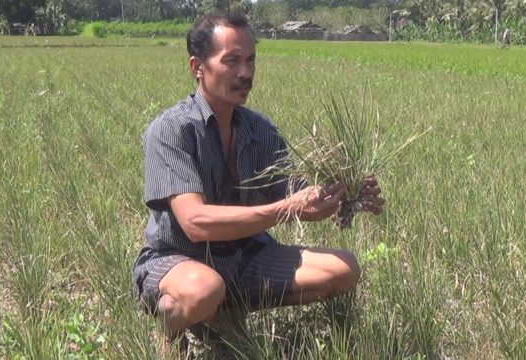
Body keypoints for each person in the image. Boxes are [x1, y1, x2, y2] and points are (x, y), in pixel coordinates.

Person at [132, 12, 385, 352]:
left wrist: (344, 194)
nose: (246, 73)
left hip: (245, 257)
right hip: (178, 260)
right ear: (197, 66)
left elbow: (292, 193)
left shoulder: (260, 130)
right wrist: (286, 210)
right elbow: (195, 223)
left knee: (344, 270)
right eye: (232, 61)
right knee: (204, 289)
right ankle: (168, 329)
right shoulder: (171, 130)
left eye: (251, 60)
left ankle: (225, 312)